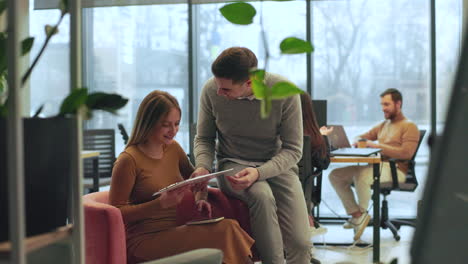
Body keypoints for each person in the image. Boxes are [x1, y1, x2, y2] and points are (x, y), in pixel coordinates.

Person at [193, 47, 317, 264]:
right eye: (218, 86)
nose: (219, 92)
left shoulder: (285, 93)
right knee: (261, 195)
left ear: (249, 83)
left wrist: (259, 172)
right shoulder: (211, 90)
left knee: (301, 243)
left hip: (277, 165)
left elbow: (293, 149)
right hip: (233, 163)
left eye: (226, 89)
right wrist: (203, 166)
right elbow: (204, 138)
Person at [109, 90, 254, 264]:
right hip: (142, 241)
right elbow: (115, 213)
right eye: (166, 124)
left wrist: (200, 198)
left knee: (229, 227)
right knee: (225, 231)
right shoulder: (128, 160)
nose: (173, 131)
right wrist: (159, 204)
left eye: (177, 124)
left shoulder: (173, 149)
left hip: (173, 231)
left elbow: (195, 182)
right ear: (148, 122)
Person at [328, 88, 420, 241]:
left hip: (397, 170)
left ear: (398, 104)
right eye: (381, 104)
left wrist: (375, 146)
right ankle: (357, 215)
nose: (383, 108)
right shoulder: (384, 125)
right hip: (378, 166)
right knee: (336, 175)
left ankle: (363, 214)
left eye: (387, 104)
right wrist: (359, 140)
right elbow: (363, 136)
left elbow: (406, 153)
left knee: (362, 175)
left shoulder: (409, 126)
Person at [299, 92, 333, 237]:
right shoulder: (312, 137)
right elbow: (324, 163)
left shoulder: (277, 132)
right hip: (304, 194)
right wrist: (323, 137)